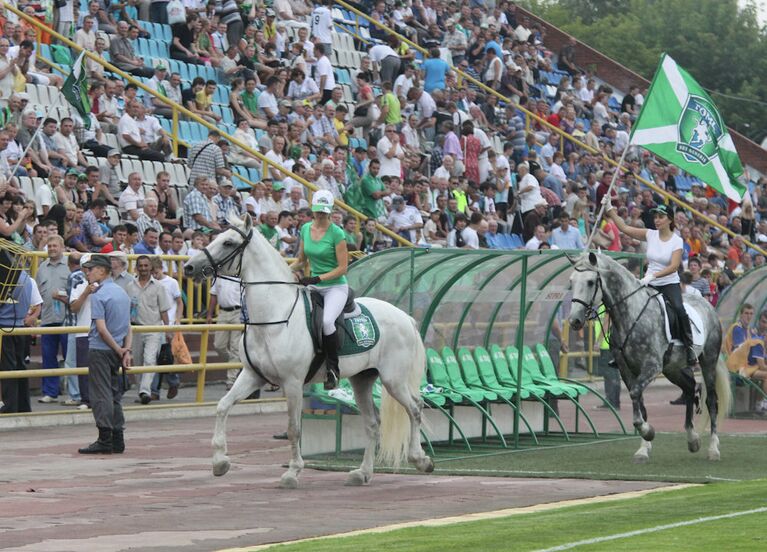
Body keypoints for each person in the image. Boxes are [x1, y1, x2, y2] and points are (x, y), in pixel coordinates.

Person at [604, 200, 697, 369]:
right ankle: (620, 350)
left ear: (669, 219)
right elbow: (624, 229)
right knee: (627, 307)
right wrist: (610, 210)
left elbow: (674, 266)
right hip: (649, 281)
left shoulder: (676, 241)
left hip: (668, 283)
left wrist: (652, 276)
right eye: (655, 216)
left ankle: (689, 347)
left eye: (661, 217)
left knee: (678, 309)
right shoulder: (650, 234)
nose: (657, 220)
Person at [291, 190, 348, 389]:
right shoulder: (305, 228)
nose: (321, 215)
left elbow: (343, 267)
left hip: (335, 287)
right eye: (318, 212)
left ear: (330, 211)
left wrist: (317, 277)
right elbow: (301, 260)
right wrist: (286, 271)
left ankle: (333, 370)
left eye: (324, 212)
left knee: (326, 321)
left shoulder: (337, 233)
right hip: (313, 285)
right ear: (312, 210)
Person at [78, 254, 132, 454]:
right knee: (114, 394)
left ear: (102, 270)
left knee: (101, 395)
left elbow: (101, 328)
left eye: (91, 269)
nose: (88, 273)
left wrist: (119, 349)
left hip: (101, 349)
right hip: (117, 348)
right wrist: (125, 350)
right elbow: (128, 326)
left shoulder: (100, 295)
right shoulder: (121, 293)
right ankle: (118, 438)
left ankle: (105, 439)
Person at [127, 255, 171, 404]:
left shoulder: (159, 287)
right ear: (137, 268)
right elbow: (126, 311)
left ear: (151, 267)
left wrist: (168, 330)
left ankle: (145, 391)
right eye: (141, 266)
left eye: (146, 266)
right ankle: (142, 392)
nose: (144, 269)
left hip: (153, 329)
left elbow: (164, 311)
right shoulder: (130, 286)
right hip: (135, 329)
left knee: (150, 359)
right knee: (138, 362)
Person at [0, 271, 42, 414]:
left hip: (5, 329)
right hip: (21, 328)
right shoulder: (29, 279)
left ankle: (10, 406)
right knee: (20, 366)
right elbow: (37, 304)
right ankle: (23, 406)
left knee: (8, 368)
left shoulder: (5, 278)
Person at [35, 235, 71, 403]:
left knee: (69, 358)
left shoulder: (69, 266)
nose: (51, 249)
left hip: (67, 320)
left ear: (62, 247)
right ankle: (50, 391)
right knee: (48, 357)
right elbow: (37, 295)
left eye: (55, 246)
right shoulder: (41, 267)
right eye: (49, 246)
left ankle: (74, 394)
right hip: (47, 319)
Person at [207, 275, 245, 389]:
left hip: (238, 311)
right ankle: (235, 363)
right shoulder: (217, 275)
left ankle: (231, 380)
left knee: (235, 347)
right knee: (218, 345)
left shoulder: (240, 275)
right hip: (223, 312)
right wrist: (209, 314)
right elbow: (213, 295)